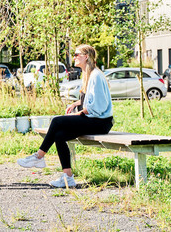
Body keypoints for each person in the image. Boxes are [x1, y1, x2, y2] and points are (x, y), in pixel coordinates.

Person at [17, 44, 113, 188]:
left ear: (86, 57)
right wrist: (76, 103)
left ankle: (39, 157)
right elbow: (91, 98)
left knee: (57, 121)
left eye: (76, 54)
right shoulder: (88, 74)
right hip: (94, 119)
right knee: (60, 135)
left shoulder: (96, 76)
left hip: (100, 122)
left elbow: (99, 105)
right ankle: (68, 178)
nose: (74, 57)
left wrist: (81, 113)